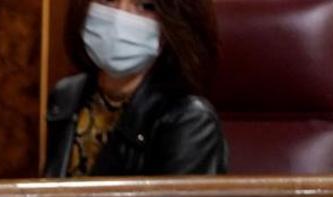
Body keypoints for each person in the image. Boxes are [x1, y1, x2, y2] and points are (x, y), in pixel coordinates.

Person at [43, 0, 229, 177]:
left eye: (146, 5)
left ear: (174, 23)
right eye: (106, 0)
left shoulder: (189, 121)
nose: (119, 17)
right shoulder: (67, 96)